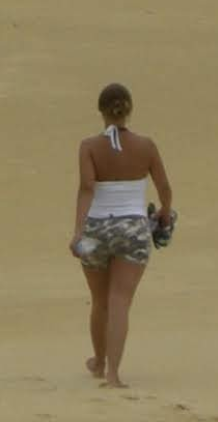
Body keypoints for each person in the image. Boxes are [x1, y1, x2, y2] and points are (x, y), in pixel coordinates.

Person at [70, 81, 173, 388]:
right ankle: (114, 373)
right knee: (120, 301)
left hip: (98, 227)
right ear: (130, 110)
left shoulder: (89, 147)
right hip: (134, 227)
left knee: (99, 300)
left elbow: (87, 189)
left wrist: (78, 232)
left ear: (101, 111)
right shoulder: (147, 146)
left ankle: (99, 361)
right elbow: (164, 188)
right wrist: (164, 215)